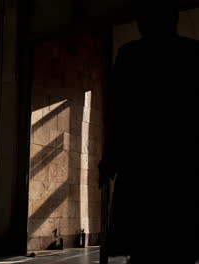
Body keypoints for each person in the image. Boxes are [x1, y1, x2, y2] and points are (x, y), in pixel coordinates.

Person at [99, 1, 199, 263]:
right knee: (181, 243)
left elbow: (117, 112)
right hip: (183, 160)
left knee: (143, 245)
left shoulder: (131, 54)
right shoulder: (193, 53)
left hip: (141, 161)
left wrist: (110, 158)